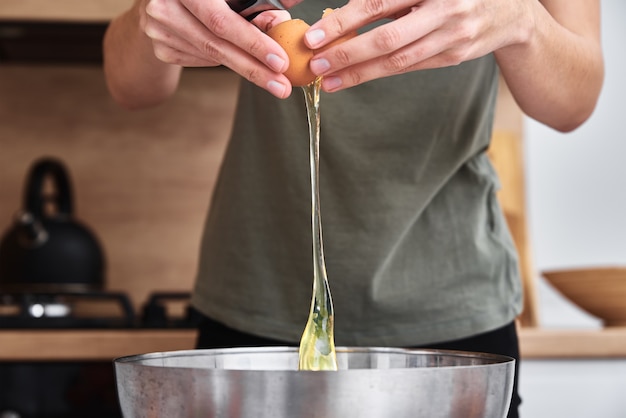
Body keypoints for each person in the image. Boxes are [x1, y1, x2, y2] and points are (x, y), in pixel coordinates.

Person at [103, 1, 604, 416]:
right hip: (255, 304)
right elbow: (131, 86)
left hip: (456, 316)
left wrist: (522, 20)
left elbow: (572, 103)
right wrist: (155, 13)